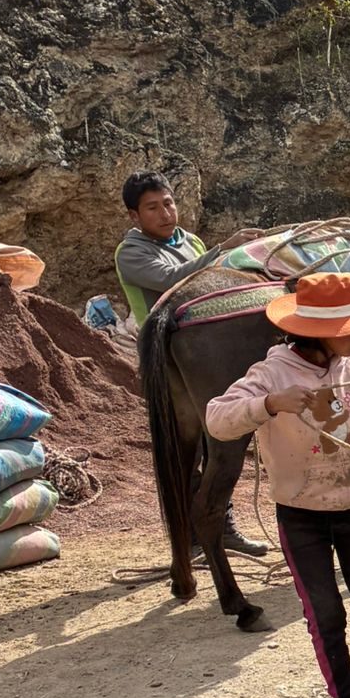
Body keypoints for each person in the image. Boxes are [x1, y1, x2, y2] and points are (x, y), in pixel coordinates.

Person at [205, 271, 350, 698]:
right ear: (314, 331)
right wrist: (268, 404)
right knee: (325, 614)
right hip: (301, 514)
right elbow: (217, 419)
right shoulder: (271, 374)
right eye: (349, 325)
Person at [116, 169, 269, 557]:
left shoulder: (190, 240)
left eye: (168, 203)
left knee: (216, 439)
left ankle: (222, 527)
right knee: (183, 447)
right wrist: (222, 249)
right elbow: (177, 278)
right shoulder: (130, 252)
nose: (165, 213)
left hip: (206, 352)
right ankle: (190, 537)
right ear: (134, 216)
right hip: (166, 359)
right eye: (152, 208)